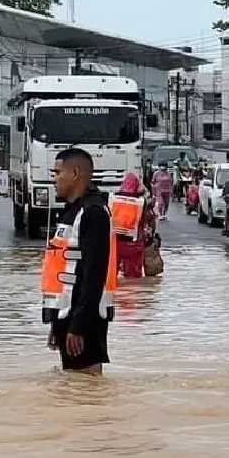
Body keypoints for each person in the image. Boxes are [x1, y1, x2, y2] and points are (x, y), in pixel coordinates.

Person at [40, 148, 116, 375]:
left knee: (87, 387)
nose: (54, 179)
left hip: (84, 319)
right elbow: (66, 270)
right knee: (74, 391)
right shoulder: (73, 212)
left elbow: (94, 274)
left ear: (74, 174)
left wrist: (79, 325)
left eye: (57, 173)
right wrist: (56, 322)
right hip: (68, 315)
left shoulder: (93, 213)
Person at [111, 171, 152, 278]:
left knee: (111, 274)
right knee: (133, 276)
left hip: (116, 241)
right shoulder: (141, 201)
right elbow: (145, 220)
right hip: (134, 242)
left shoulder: (114, 199)